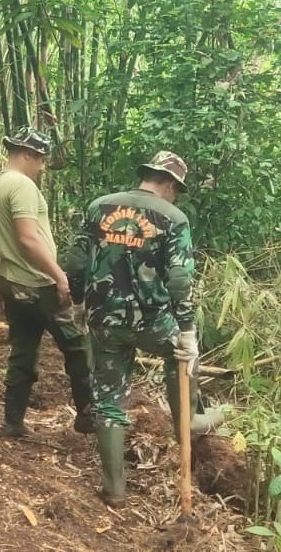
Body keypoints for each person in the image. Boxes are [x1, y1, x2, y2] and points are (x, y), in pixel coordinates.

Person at [62, 151, 222, 508]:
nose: (175, 195)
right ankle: (189, 420)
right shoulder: (173, 217)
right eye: (176, 189)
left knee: (108, 399)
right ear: (168, 183)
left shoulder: (99, 207)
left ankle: (114, 490)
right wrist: (186, 331)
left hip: (105, 320)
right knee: (181, 358)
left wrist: (77, 303)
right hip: (153, 322)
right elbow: (180, 280)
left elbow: (75, 261)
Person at [0, 126, 94, 439]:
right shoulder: (21, 186)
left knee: (23, 349)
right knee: (77, 345)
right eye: (41, 158)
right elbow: (28, 239)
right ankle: (87, 414)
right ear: (27, 154)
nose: (43, 166)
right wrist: (60, 277)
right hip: (36, 284)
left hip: (10, 281)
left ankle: (12, 423)